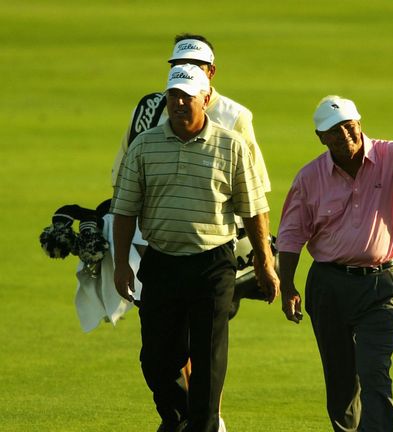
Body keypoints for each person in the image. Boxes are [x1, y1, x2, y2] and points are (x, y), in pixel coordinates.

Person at [277, 95, 393, 431]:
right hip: (328, 285)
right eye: (334, 132)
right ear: (321, 138)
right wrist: (287, 286)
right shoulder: (310, 178)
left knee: (375, 369)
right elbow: (291, 236)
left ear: (359, 123)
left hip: (382, 284)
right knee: (341, 381)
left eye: (349, 126)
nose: (345, 135)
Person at [111, 64, 279, 432]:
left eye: (187, 96)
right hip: (162, 262)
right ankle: (181, 418)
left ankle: (201, 426)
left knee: (208, 359)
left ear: (206, 98)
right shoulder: (145, 145)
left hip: (213, 264)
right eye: (173, 95)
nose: (179, 103)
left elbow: (254, 209)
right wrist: (121, 263)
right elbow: (124, 209)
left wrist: (265, 263)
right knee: (156, 359)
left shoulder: (230, 145)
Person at [111, 33, 271, 193]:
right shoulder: (148, 109)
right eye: (180, 66)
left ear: (211, 71)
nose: (188, 72)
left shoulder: (234, 116)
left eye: (197, 67)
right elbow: (123, 176)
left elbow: (255, 188)